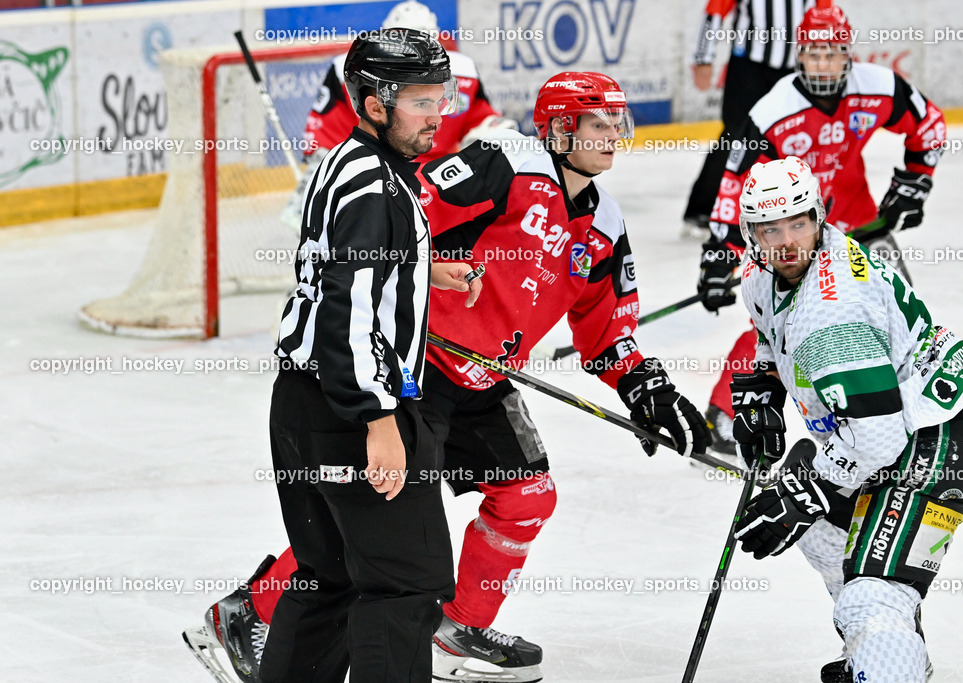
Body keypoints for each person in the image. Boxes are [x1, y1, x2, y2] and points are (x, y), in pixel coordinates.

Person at [185, 72, 711, 683]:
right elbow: (403, 215)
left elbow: (606, 333)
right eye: (599, 124)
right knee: (377, 527)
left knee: (527, 497)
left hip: (486, 382)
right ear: (561, 128)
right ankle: (251, 610)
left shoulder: (606, 227)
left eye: (616, 123)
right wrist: (430, 273)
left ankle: (456, 630)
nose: (613, 135)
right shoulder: (505, 163)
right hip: (419, 367)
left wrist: (649, 390)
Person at [184, 28, 482, 683]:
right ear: (376, 105)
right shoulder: (376, 186)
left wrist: (420, 270)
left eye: (442, 96)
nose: (440, 113)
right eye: (423, 101)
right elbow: (347, 314)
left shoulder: (347, 163)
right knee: (404, 587)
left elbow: (332, 271)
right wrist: (378, 420)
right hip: (350, 410)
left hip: (303, 404)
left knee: (331, 578)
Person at [729, 156, 963, 682]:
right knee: (820, 531)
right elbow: (771, 336)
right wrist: (760, 387)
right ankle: (881, 651)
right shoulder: (762, 276)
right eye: (770, 228)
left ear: (819, 217)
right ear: (751, 233)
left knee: (871, 595)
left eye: (798, 223)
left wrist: (800, 488)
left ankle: (885, 651)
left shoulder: (831, 311)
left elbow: (875, 437)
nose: (787, 241)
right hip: (912, 421)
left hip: (942, 436)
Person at [696, 5, 946, 458]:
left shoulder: (878, 87)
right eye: (813, 54)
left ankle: (908, 411)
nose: (823, 65)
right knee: (779, 324)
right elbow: (735, 184)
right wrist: (721, 252)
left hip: (857, 225)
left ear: (848, 56)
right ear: (799, 56)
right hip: (796, 235)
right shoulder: (773, 110)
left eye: (832, 55)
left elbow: (928, 123)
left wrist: (915, 183)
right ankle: (726, 411)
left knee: (897, 308)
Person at [281, 0, 516, 229]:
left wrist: (497, 144)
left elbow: (484, 123)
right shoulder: (349, 71)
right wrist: (324, 178)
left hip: (439, 181)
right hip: (376, 172)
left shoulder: (463, 70)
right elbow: (325, 135)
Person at [683, 0, 814, 233]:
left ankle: (787, 207)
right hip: (748, 68)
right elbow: (715, 11)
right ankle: (704, 208)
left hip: (792, 70)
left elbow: (822, 17)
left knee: (794, 136)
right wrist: (703, 58)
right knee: (736, 137)